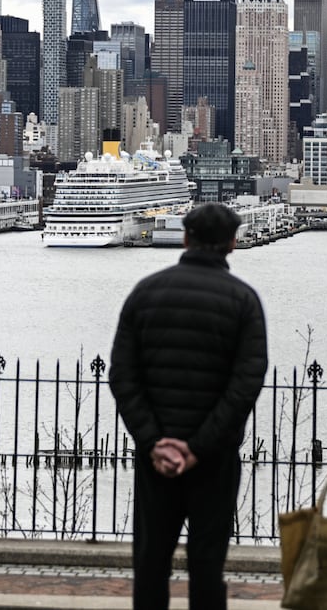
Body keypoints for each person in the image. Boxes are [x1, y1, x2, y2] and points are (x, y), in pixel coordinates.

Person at [109, 202, 268, 610]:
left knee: (150, 561)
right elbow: (245, 386)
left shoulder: (145, 293)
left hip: (155, 457)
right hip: (213, 459)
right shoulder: (244, 301)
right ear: (233, 242)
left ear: (185, 237)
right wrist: (199, 447)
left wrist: (154, 441)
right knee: (208, 564)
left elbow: (123, 376)